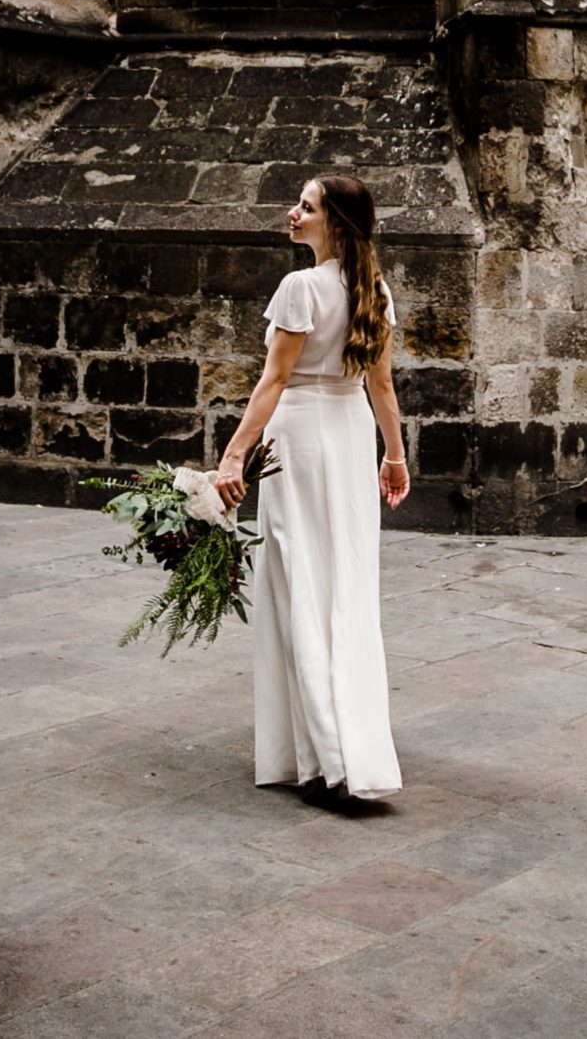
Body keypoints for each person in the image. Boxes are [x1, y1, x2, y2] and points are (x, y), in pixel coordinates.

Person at [212, 173, 410, 801]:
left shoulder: (300, 287)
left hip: (298, 435)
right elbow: (380, 386)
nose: (292, 213)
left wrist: (233, 456)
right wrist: (395, 458)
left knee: (299, 579)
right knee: (343, 584)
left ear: (335, 223)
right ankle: (347, 747)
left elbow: (273, 382)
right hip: (351, 436)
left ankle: (325, 756)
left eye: (306, 206)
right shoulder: (373, 289)